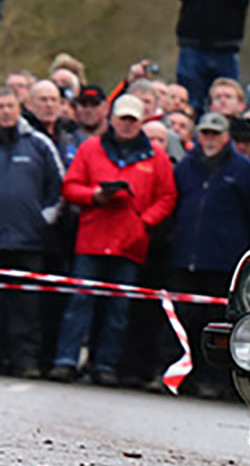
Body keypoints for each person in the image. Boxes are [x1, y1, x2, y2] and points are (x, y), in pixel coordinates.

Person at [49, 95, 177, 385]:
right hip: (92, 238)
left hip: (130, 243)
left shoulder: (156, 156)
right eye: (122, 119)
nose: (127, 125)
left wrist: (144, 221)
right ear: (112, 118)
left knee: (118, 309)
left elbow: (167, 197)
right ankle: (66, 360)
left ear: (141, 122)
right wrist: (94, 195)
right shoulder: (90, 148)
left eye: (132, 120)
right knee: (79, 303)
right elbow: (70, 186)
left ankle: (105, 364)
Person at [170, 112, 250, 397]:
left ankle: (215, 380)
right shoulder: (186, 166)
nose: (210, 139)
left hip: (222, 262)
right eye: (205, 134)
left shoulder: (244, 169)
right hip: (186, 259)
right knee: (184, 320)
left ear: (226, 137)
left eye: (215, 134)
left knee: (217, 324)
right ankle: (185, 374)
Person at [0, 89, 62, 378]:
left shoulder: (39, 144)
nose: (5, 111)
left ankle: (24, 360)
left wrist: (42, 219)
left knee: (26, 308)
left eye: (9, 106)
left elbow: (58, 186)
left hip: (28, 242)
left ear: (19, 108)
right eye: (0, 107)